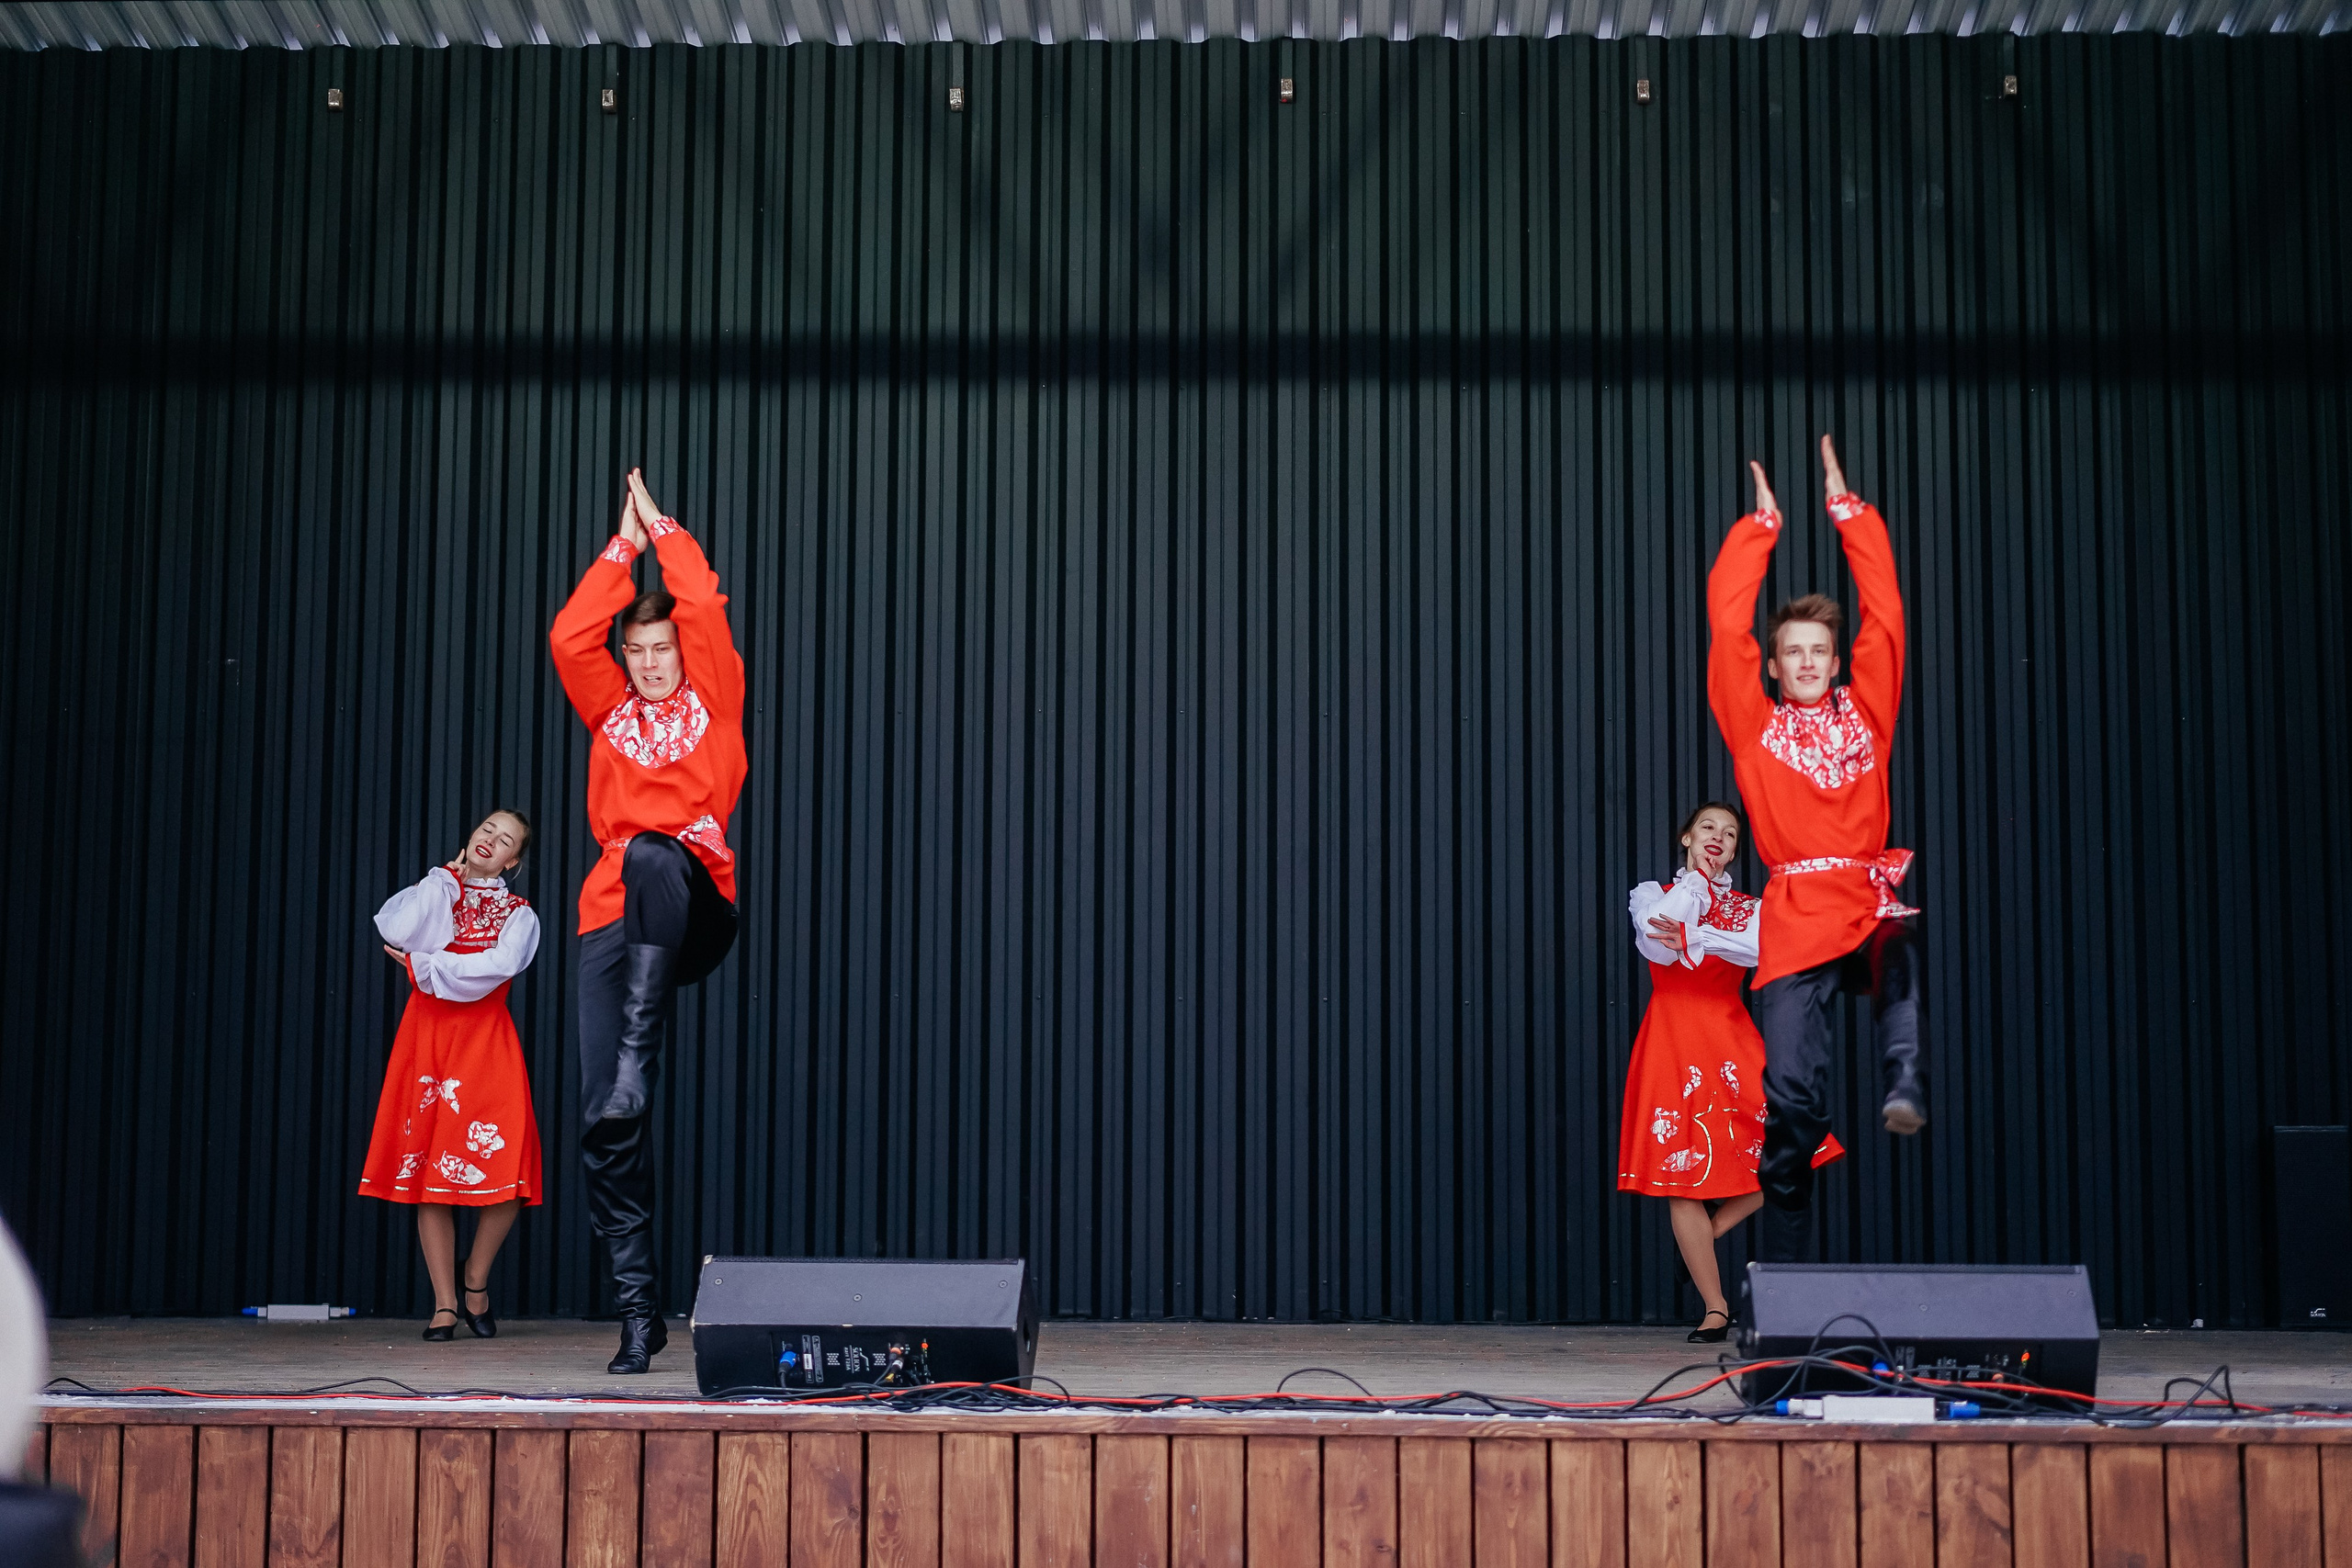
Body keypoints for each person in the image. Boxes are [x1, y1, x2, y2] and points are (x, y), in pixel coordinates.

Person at [1707, 434, 1926, 1264]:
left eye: (1818, 652)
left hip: (1866, 894)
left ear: (1836, 663)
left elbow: (1888, 613)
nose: (1804, 661)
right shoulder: (1755, 726)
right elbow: (1727, 625)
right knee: (1792, 1101)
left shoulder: (1868, 711)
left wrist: (1850, 514)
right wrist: (1759, 531)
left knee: (1900, 940)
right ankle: (1788, 1262)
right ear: (1775, 664)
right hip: (1798, 911)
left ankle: (1906, 1080)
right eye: (1790, 651)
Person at [550, 468, 745, 1374]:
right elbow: (567, 634)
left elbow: (702, 603)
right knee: (605, 1120)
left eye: (663, 648)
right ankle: (637, 1311)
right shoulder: (610, 714)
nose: (654, 662)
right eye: (641, 651)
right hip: (614, 924)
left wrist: (657, 529)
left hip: (694, 906)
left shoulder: (715, 703)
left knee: (654, 850)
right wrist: (614, 549)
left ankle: (639, 1054)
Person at [1623, 803, 1842, 1340]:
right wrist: (1696, 890)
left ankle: (1708, 1232)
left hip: (1730, 1033)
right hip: (1673, 1036)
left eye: (1730, 833)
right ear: (1686, 837)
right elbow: (1662, 939)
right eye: (1708, 828)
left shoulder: (1751, 907)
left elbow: (1762, 952)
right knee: (1683, 1177)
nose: (1719, 837)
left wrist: (1701, 935)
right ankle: (1715, 1307)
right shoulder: (1649, 893)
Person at [358, 810, 544, 1339]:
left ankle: (475, 1279)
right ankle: (444, 1303)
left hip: (486, 1041)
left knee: (506, 1170)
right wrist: (445, 879)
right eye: (487, 829)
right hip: (429, 1038)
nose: (491, 840)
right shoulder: (436, 888)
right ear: (471, 835)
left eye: (505, 839)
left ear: (515, 860)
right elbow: (397, 929)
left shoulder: (519, 915)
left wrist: (428, 966)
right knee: (429, 1174)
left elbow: (493, 971)